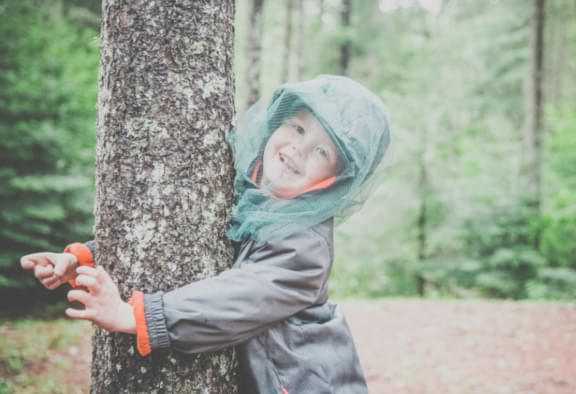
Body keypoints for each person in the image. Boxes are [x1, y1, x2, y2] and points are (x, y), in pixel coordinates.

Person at [19, 75, 392, 394]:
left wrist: (140, 317)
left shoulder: (306, 245)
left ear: (331, 182)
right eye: (297, 127)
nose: (298, 149)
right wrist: (85, 258)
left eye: (321, 151)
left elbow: (241, 297)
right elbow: (179, 233)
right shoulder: (248, 195)